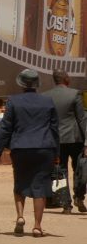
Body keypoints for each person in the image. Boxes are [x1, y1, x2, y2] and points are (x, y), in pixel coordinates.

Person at [0, 68, 60, 237]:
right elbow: (54, 130)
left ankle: (20, 217)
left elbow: (6, 128)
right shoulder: (48, 101)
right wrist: (57, 153)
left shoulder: (13, 101)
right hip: (45, 148)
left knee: (20, 184)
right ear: (37, 85)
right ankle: (37, 226)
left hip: (20, 149)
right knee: (40, 187)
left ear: (21, 84)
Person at [48, 69, 86, 213]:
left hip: (56, 139)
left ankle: (66, 204)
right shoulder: (75, 94)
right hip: (75, 138)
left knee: (60, 170)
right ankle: (79, 197)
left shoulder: (46, 96)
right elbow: (81, 119)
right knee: (79, 169)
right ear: (66, 79)